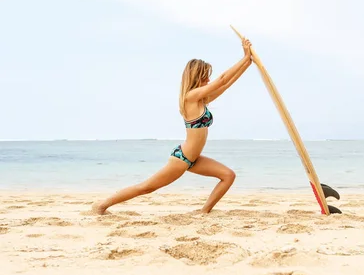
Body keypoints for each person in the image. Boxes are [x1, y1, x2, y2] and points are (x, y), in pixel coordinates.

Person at [93, 37, 252, 215]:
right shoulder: (190, 97)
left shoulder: (201, 99)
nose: (209, 79)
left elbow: (226, 84)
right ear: (197, 76)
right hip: (183, 158)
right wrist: (244, 58)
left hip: (194, 159)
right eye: (205, 75)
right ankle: (101, 206)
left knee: (228, 175)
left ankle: (203, 212)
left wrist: (248, 63)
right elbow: (222, 79)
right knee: (146, 187)